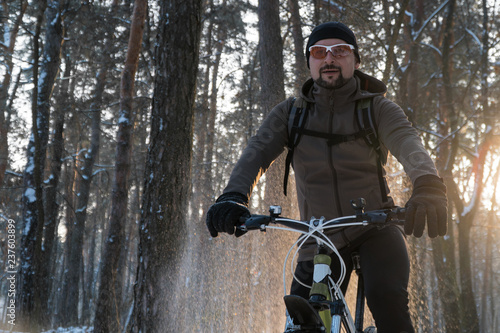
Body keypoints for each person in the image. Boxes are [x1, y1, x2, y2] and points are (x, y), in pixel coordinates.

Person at [205, 22, 447, 333]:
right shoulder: (291, 114)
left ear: (355, 61)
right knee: (301, 321)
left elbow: (407, 141)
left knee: (387, 301)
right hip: (318, 236)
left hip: (376, 227)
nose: (329, 59)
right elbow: (256, 152)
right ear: (309, 61)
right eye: (320, 52)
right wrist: (232, 196)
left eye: (340, 51)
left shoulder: (377, 109)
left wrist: (428, 185)